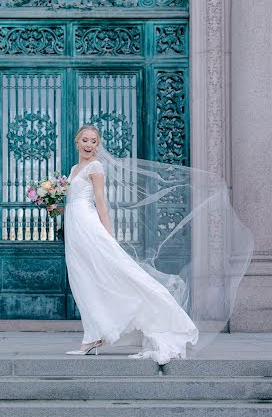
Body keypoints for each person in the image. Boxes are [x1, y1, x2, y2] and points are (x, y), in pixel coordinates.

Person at [48, 124, 200, 364]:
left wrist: (108, 235)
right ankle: (94, 334)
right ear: (77, 142)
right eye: (85, 140)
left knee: (113, 272)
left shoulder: (96, 167)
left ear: (97, 145)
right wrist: (51, 205)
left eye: (94, 141)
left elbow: (101, 202)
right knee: (83, 278)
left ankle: (100, 333)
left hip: (89, 227)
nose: (89, 145)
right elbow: (69, 202)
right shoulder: (74, 168)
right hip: (74, 230)